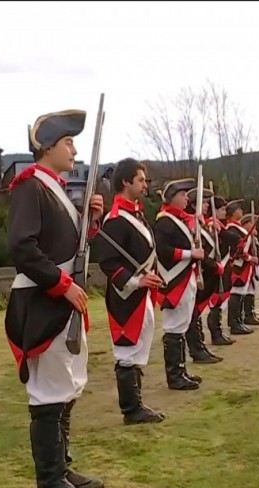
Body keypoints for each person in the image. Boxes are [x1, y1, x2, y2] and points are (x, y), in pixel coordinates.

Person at [5, 109, 106, 488]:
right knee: (47, 394)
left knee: (64, 390)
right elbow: (23, 247)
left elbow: (68, 249)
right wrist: (62, 285)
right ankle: (49, 481)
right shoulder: (30, 187)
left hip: (60, 302)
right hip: (43, 302)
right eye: (68, 142)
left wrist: (91, 222)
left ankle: (61, 468)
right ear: (47, 146)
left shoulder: (54, 188)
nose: (74, 149)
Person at [97, 158, 166, 425]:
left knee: (138, 350)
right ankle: (131, 410)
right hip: (126, 296)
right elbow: (108, 263)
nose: (145, 185)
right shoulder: (114, 220)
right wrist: (137, 282)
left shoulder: (136, 215)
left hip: (142, 293)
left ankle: (137, 404)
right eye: (140, 180)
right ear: (126, 182)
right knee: (126, 352)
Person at [152, 179, 214, 392]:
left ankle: (181, 370)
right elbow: (162, 250)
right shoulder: (164, 221)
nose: (187, 198)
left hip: (186, 277)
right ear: (172, 198)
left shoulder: (178, 219)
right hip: (175, 279)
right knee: (174, 327)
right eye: (182, 194)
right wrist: (190, 254)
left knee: (182, 324)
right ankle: (175, 375)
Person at [186, 190, 225, 362]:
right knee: (192, 315)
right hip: (195, 275)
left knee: (195, 314)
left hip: (205, 275)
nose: (208, 205)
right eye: (204, 202)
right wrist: (215, 266)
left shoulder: (202, 225)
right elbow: (201, 253)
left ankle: (199, 347)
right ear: (193, 205)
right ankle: (197, 350)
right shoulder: (190, 225)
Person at [219, 200, 258, 336]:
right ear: (234, 212)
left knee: (241, 293)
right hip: (238, 267)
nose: (241, 211)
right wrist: (249, 258)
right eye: (239, 209)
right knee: (236, 293)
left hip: (244, 266)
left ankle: (239, 320)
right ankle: (234, 323)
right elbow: (236, 249)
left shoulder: (236, 228)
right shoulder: (232, 229)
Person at [201, 196, 235, 346]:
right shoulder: (209, 226)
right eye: (221, 209)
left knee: (220, 302)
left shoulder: (220, 226)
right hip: (213, 267)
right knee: (215, 302)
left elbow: (234, 240)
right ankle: (215, 333)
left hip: (224, 266)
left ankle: (219, 331)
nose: (224, 212)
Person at [239, 213, 259, 326]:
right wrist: (251, 258)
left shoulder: (253, 237)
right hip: (246, 268)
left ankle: (250, 313)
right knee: (246, 291)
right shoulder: (244, 237)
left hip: (254, 267)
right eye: (252, 223)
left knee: (252, 291)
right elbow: (242, 253)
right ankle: (246, 315)